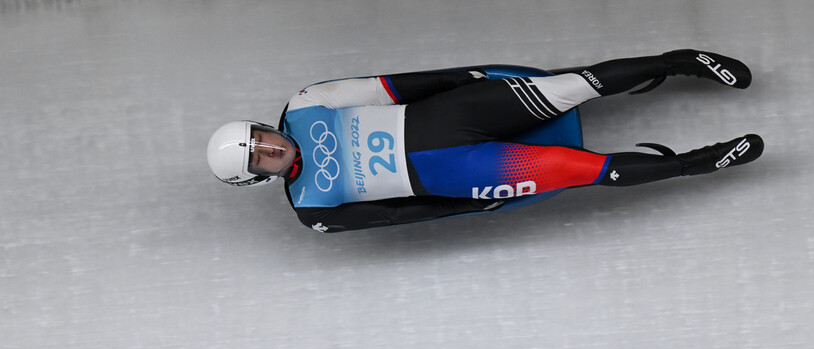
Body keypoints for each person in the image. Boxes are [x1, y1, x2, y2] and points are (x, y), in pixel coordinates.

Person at [207, 50, 764, 233]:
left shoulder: (306, 103)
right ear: (258, 176)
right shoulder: (313, 210)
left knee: (571, 86)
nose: (269, 148)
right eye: (259, 157)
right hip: (459, 170)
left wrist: (465, 79)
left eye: (259, 138)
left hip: (444, 117)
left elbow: (391, 87)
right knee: (578, 170)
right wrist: (469, 204)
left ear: (265, 126)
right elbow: (401, 216)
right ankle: (695, 165)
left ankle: (680, 62)